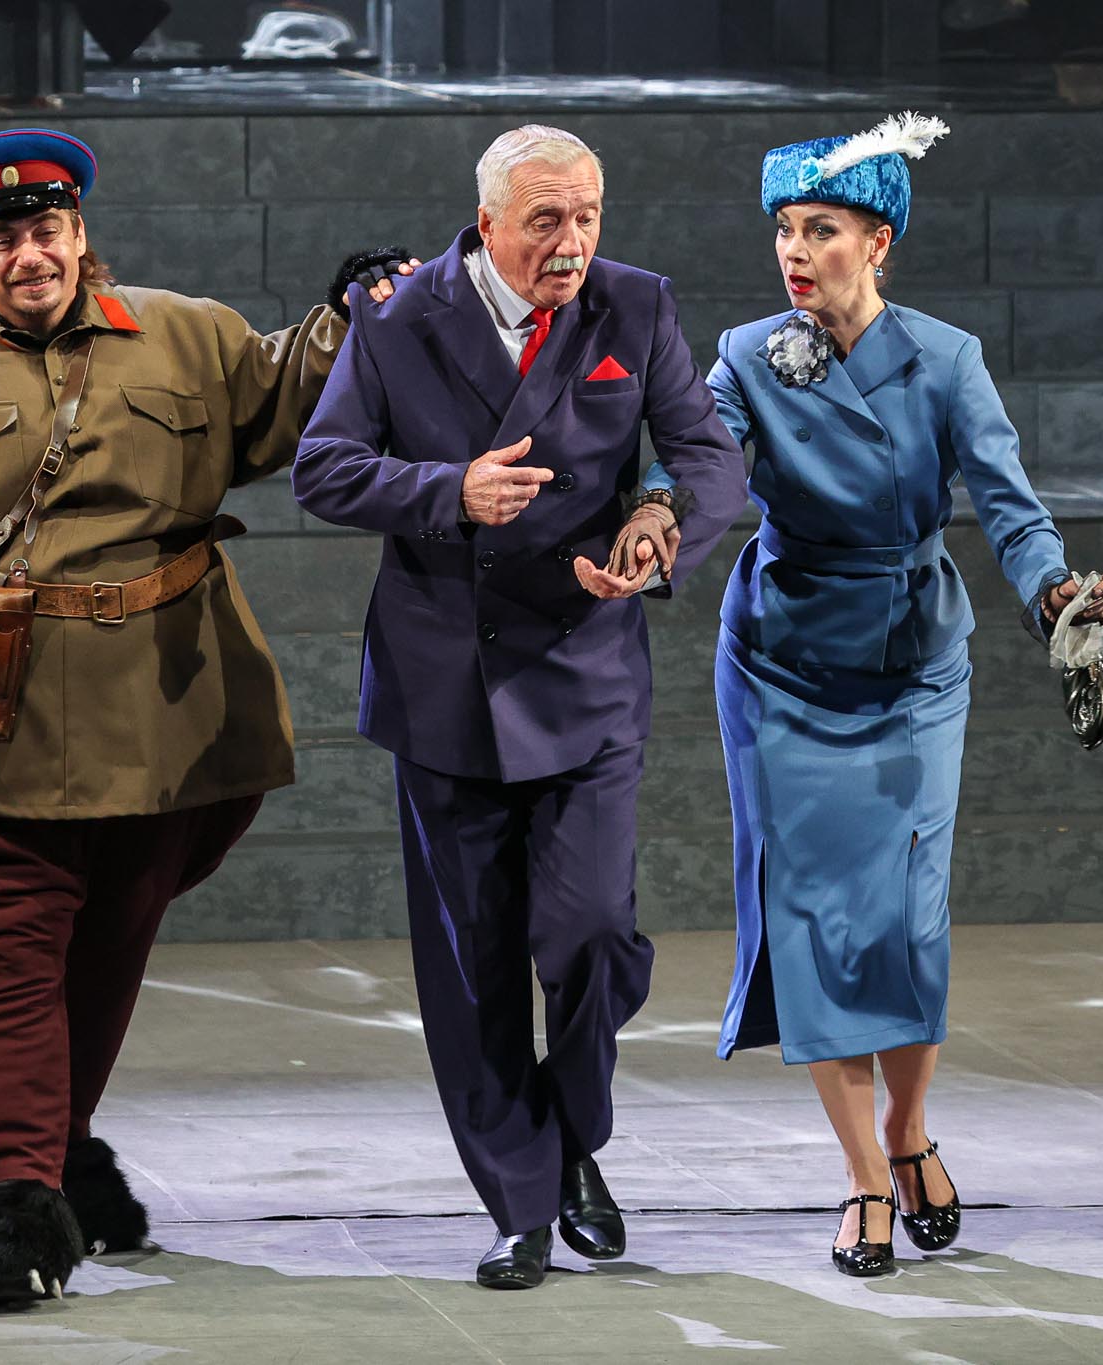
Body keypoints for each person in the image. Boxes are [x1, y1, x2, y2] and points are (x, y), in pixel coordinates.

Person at [0, 127, 411, 1308]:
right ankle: (12, 1206)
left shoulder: (186, 335)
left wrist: (348, 311)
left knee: (104, 954)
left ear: (78, 234)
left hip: (154, 724)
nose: (29, 255)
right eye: (3, 238)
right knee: (9, 955)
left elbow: (280, 398)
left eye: (46, 230)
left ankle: (55, 1154)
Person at [293, 124, 748, 1291]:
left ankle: (570, 1132)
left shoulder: (634, 307)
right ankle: (522, 1203)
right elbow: (323, 467)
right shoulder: (395, 318)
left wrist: (656, 525)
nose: (571, 241)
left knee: (591, 933)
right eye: (546, 219)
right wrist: (448, 490)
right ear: (487, 221)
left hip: (585, 672)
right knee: (475, 970)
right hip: (442, 689)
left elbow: (707, 456)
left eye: (587, 216)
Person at [686, 112, 1103, 1276]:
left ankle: (907, 1129)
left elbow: (1009, 506)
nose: (794, 250)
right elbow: (700, 468)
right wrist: (655, 519)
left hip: (914, 661)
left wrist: (1052, 593)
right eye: (783, 227)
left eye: (820, 228)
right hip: (782, 660)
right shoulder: (745, 354)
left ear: (877, 242)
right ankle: (863, 1180)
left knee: (904, 920)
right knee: (813, 919)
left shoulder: (946, 358)